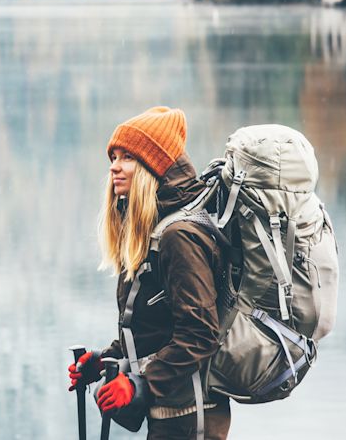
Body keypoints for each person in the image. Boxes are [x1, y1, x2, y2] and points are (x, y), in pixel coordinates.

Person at [67, 106, 231, 440]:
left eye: (127, 156)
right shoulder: (154, 231)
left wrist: (140, 382)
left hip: (192, 418)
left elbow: (200, 334)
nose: (114, 166)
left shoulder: (178, 236)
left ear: (151, 165)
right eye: (113, 156)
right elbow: (158, 327)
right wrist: (107, 359)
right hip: (171, 416)